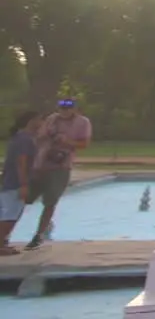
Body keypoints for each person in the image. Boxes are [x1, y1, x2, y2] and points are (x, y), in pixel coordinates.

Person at [24, 98, 93, 250]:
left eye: (68, 108)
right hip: (40, 164)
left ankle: (39, 235)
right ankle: (5, 234)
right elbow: (38, 138)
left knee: (50, 202)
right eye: (62, 108)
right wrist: (47, 136)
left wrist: (67, 141)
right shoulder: (51, 119)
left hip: (61, 166)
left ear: (74, 109)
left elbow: (84, 144)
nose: (65, 111)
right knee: (24, 198)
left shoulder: (83, 122)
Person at [1, 111, 40, 256]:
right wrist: (24, 185)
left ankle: (3, 242)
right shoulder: (24, 139)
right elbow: (21, 162)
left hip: (9, 182)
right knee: (10, 216)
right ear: (31, 121)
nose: (41, 124)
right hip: (15, 183)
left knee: (7, 214)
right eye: (39, 120)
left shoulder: (19, 137)